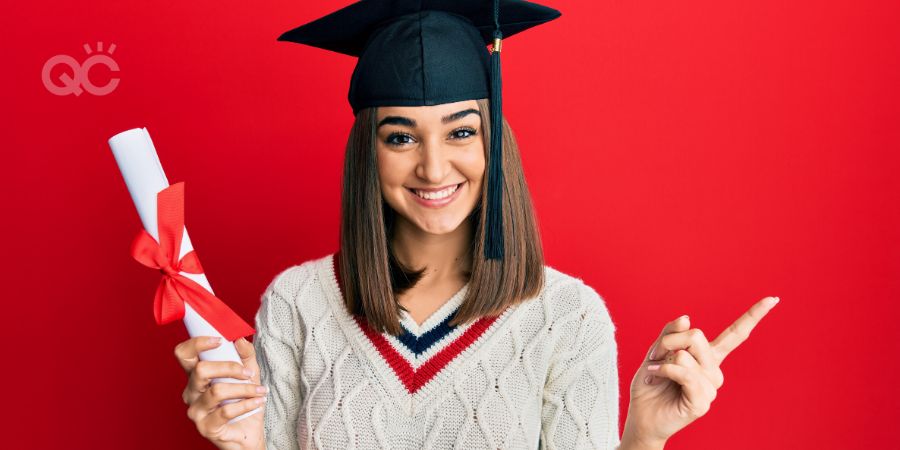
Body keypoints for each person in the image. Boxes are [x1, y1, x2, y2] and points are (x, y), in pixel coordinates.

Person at [173, 1, 780, 449]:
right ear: (368, 151)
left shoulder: (567, 318)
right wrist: (244, 442)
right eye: (401, 136)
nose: (433, 166)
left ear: (495, 141)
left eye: (462, 131)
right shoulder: (299, 304)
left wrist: (645, 437)